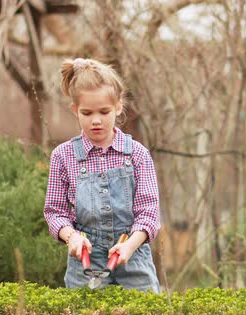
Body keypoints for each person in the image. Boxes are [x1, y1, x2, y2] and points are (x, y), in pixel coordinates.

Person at [44, 58, 161, 293]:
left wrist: (129, 246)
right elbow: (55, 212)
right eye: (87, 113)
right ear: (75, 110)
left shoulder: (138, 155)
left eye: (104, 111)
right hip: (86, 259)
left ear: (118, 107)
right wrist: (73, 238)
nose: (96, 120)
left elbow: (149, 213)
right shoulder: (62, 156)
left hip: (133, 255)